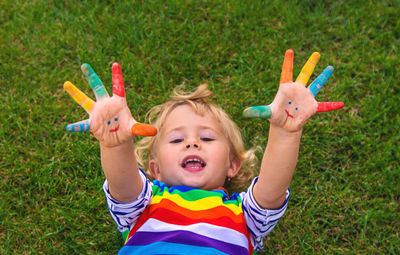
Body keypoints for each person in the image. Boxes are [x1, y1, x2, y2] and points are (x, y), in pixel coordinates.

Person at [63, 49, 343, 254]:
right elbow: (122, 184)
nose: (192, 143)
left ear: (233, 165)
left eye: (207, 138)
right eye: (175, 141)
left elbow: (272, 190)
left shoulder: (243, 215)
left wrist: (286, 131)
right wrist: (115, 143)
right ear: (156, 169)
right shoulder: (146, 204)